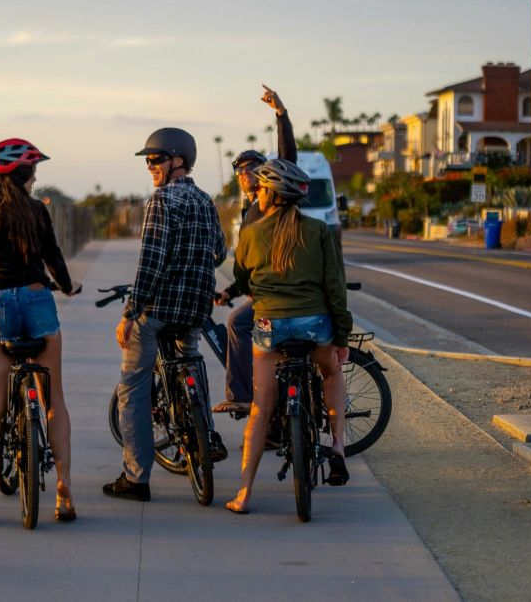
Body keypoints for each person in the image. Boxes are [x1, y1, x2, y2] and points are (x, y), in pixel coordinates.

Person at [0, 138, 81, 526]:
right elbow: (53, 256)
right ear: (25, 173)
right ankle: (64, 489)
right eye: (34, 170)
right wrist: (65, 284)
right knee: (54, 401)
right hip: (36, 300)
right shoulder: (35, 210)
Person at [103, 127, 228, 502]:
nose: (150, 166)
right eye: (148, 161)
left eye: (156, 159)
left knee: (134, 388)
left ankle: (136, 478)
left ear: (178, 161)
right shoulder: (206, 201)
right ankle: (204, 433)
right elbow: (219, 252)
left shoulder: (161, 200)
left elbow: (151, 262)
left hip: (158, 310)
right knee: (190, 363)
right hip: (194, 309)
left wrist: (129, 313)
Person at [224, 158, 353, 515]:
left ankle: (244, 494)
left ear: (271, 193)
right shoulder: (318, 231)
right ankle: (338, 447)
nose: (258, 193)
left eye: (261, 188)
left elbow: (244, 278)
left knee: (261, 406)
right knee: (331, 373)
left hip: (269, 326)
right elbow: (335, 288)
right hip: (314, 325)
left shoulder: (250, 233)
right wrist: (341, 335)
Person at [212, 85, 298, 415]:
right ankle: (272, 416)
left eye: (250, 167)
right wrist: (232, 289)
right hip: (262, 291)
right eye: (239, 170)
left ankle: (241, 396)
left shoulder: (275, 202)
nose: (243, 173)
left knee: (237, 323)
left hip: (280, 292)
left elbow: (287, 155)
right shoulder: (250, 211)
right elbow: (248, 263)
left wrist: (281, 113)